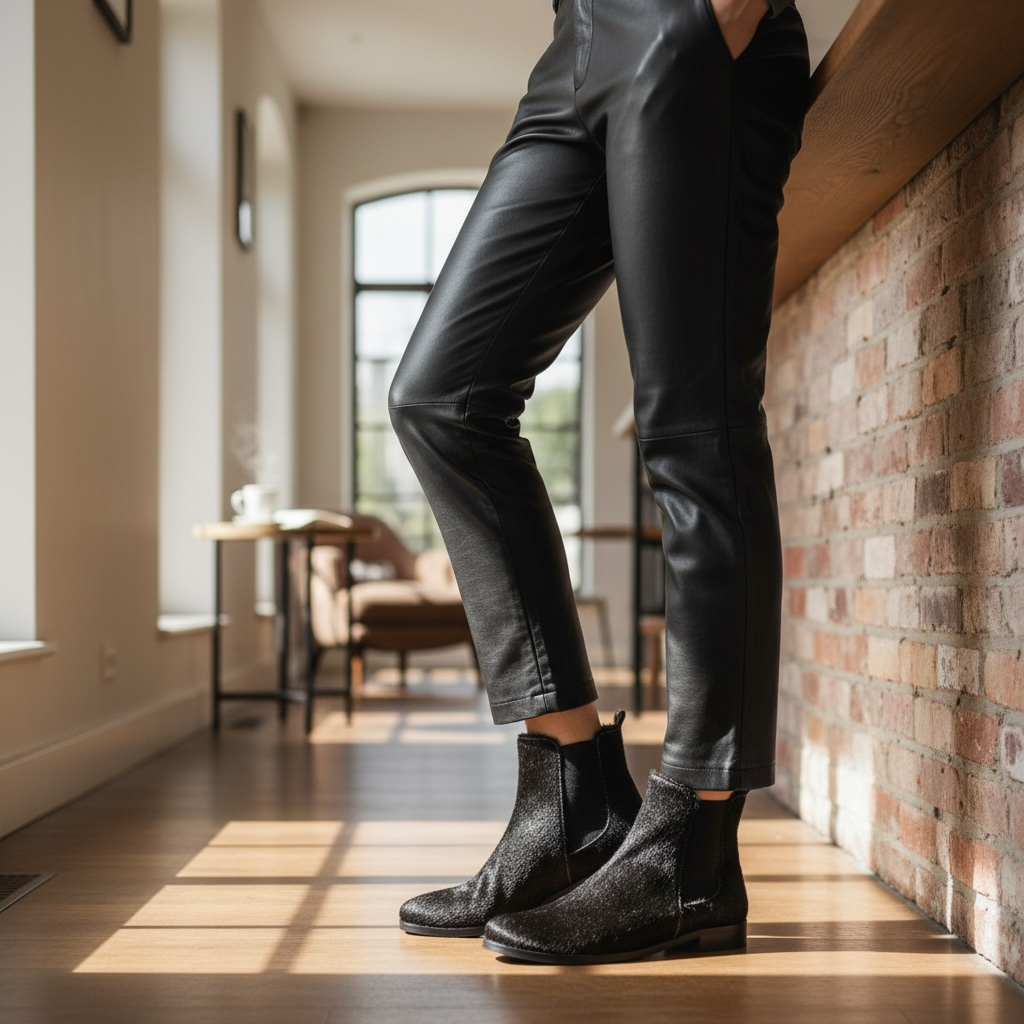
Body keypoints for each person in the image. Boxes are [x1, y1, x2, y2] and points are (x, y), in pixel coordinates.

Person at [388, 0, 809, 964]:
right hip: (576, 43)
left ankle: (691, 853)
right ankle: (571, 803)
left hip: (690, 23)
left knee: (694, 431)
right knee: (441, 399)